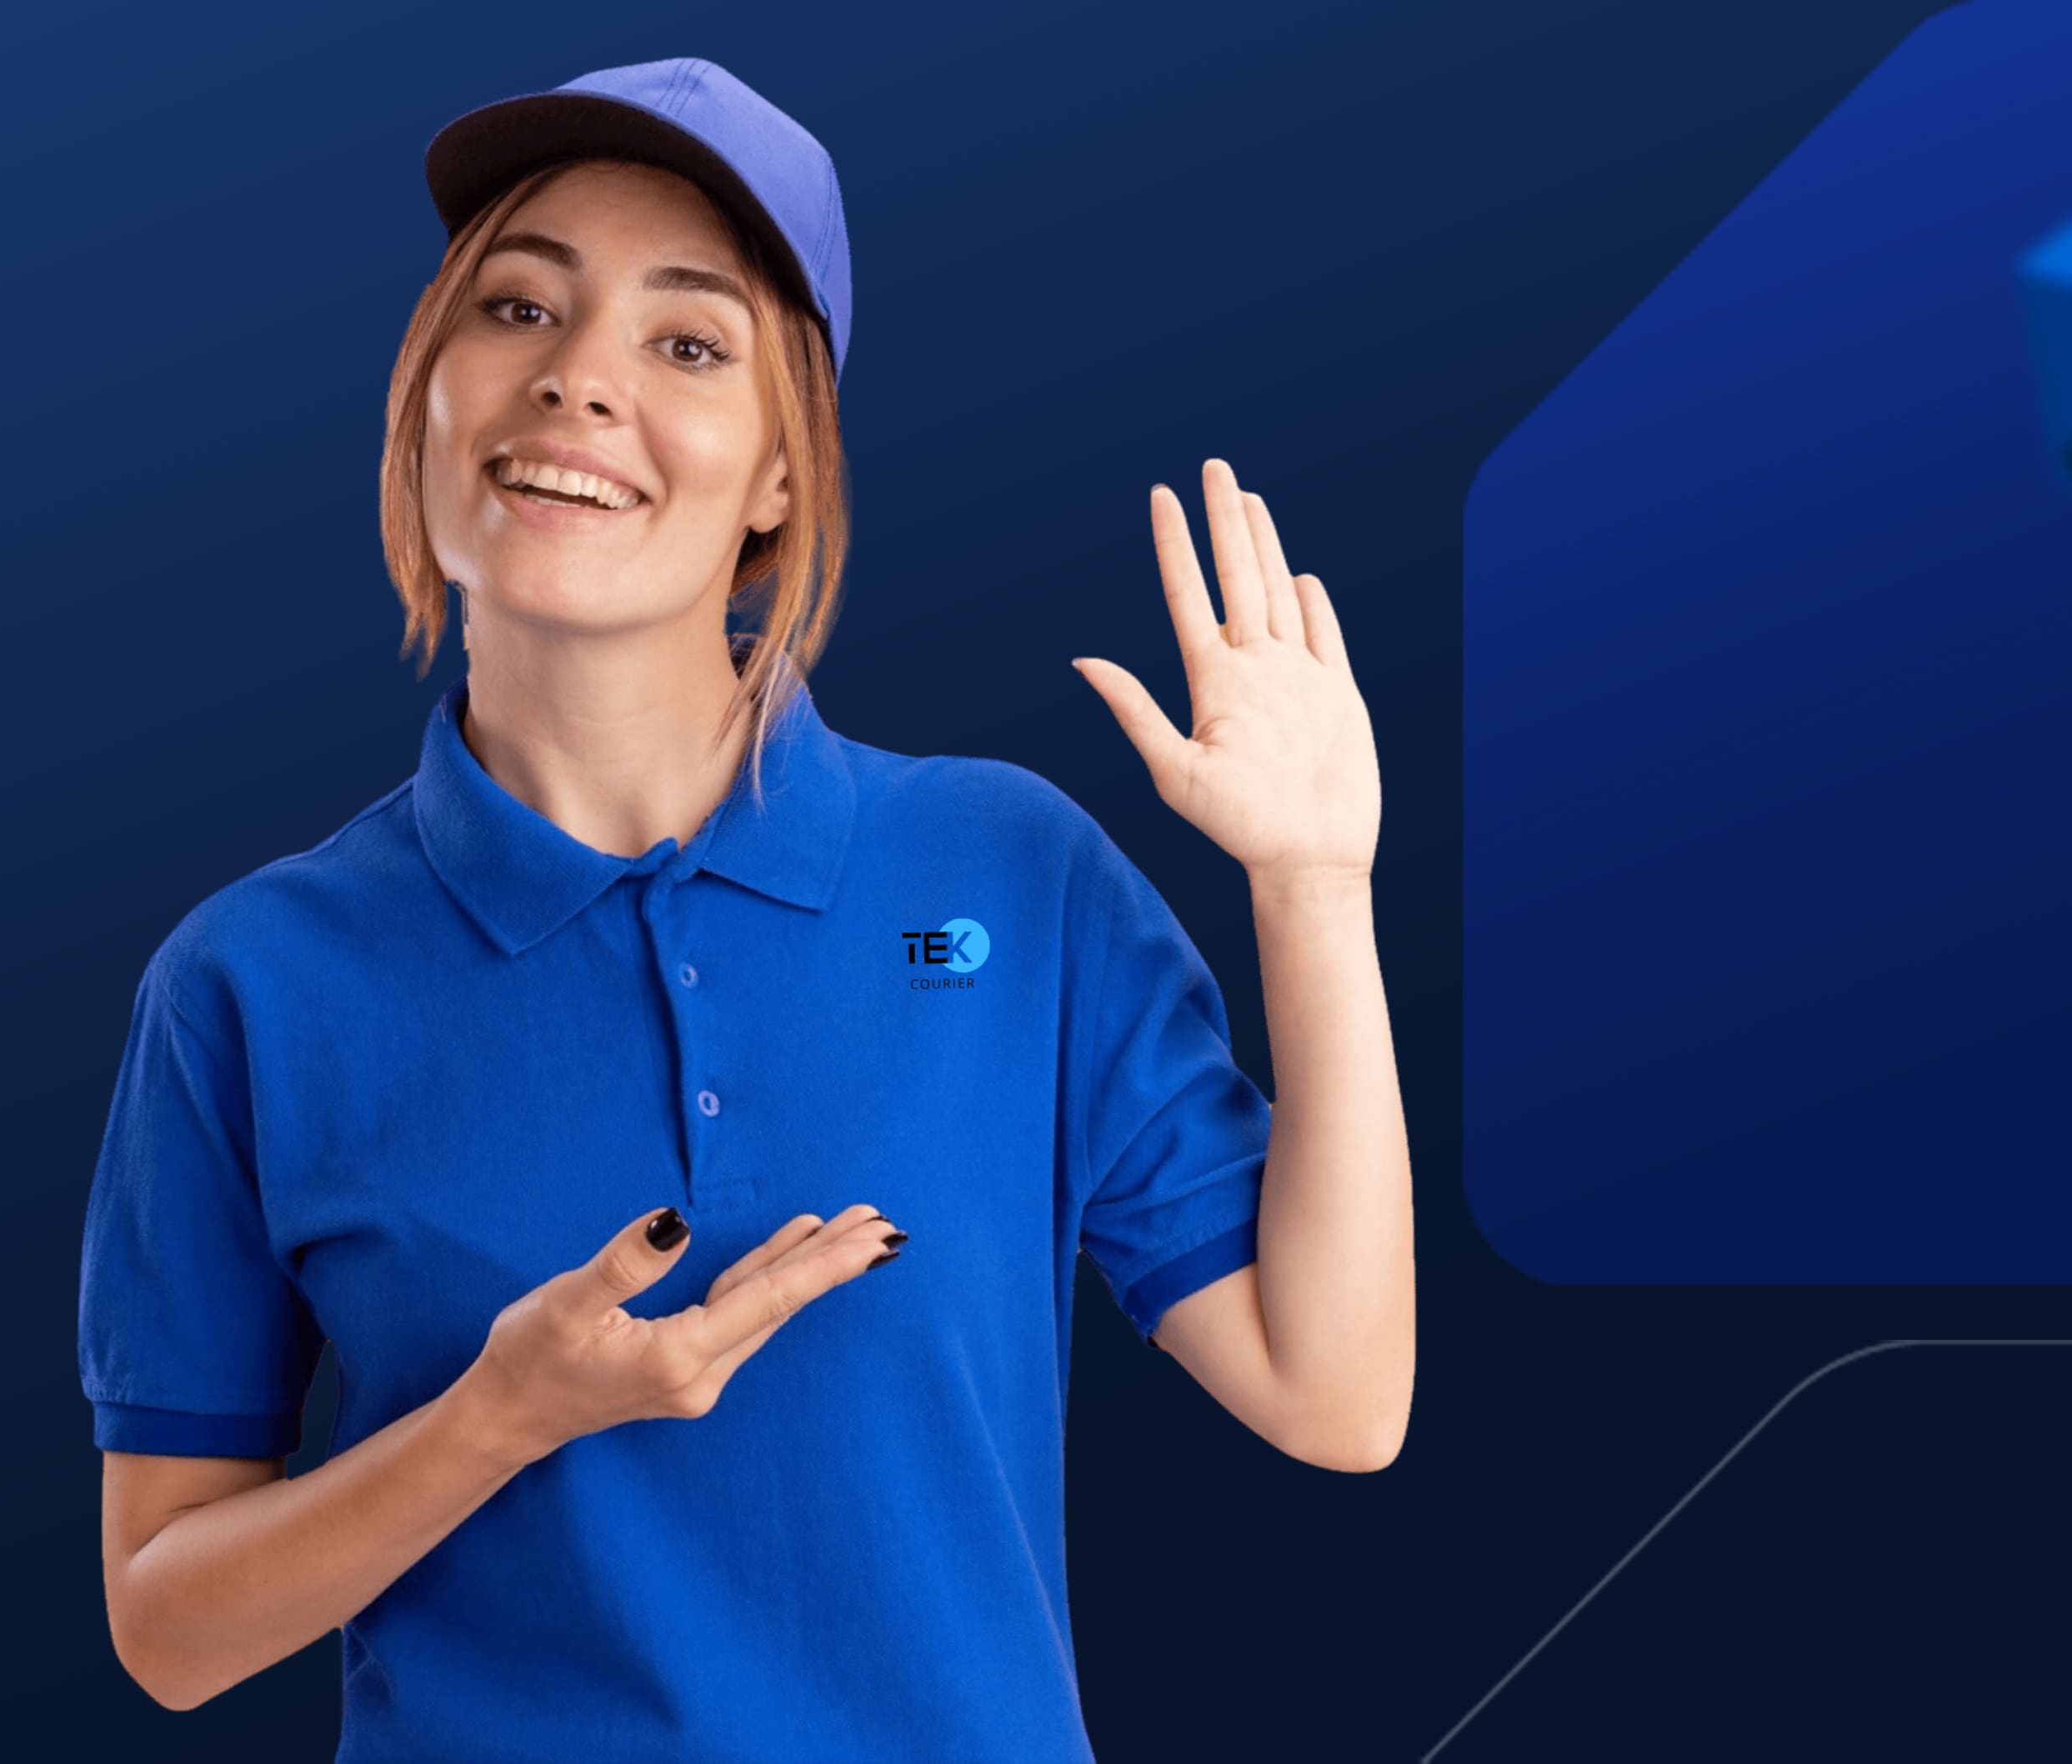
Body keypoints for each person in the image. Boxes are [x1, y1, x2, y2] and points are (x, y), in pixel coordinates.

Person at [75, 57, 1414, 1762]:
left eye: (685, 343)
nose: (575, 381)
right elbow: (167, 1632)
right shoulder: (249, 983)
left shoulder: (1006, 870)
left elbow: (1334, 1394)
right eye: (514, 306)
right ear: (426, 397)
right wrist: (491, 1422)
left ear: (781, 473)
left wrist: (1312, 892)